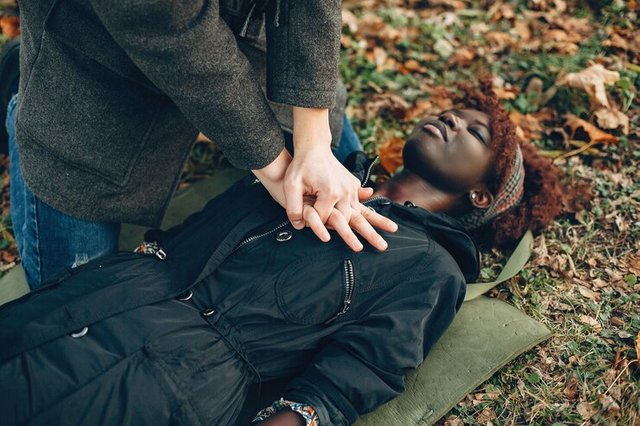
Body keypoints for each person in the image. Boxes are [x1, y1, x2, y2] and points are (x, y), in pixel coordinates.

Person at [0, 81, 564, 426]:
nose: (452, 118)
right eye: (458, 110)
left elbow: (353, 376)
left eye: (475, 132)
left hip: (169, 380)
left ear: (481, 195)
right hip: (98, 296)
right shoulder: (325, 169)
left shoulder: (430, 267)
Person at [8, 1, 394, 289]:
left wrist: (314, 138)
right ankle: (23, 94)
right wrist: (275, 168)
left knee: (342, 164)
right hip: (99, 47)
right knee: (75, 301)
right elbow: (170, 29)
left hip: (243, 20)